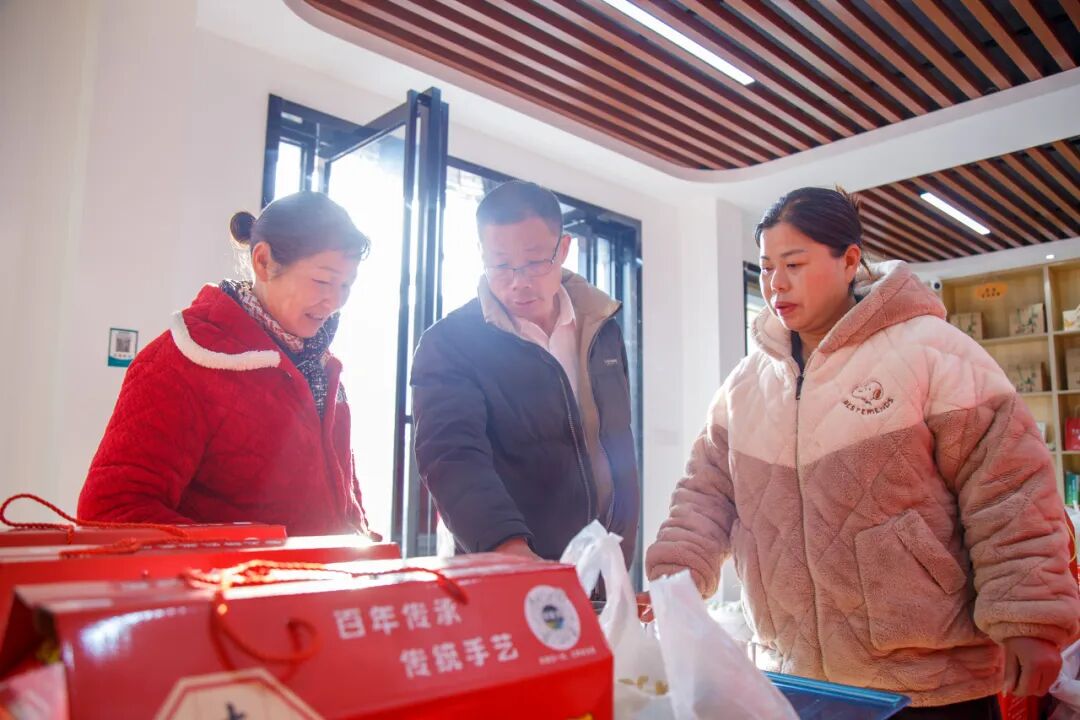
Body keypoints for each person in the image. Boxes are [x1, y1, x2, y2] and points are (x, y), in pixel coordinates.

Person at [645, 187, 1079, 718]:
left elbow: (1010, 489)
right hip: (795, 676)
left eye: (794, 264)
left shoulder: (932, 351)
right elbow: (705, 493)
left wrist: (1029, 617)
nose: (775, 283)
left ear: (850, 261)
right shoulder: (745, 384)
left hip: (931, 682)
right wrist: (675, 578)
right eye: (766, 267)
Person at [79, 191, 376, 537]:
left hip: (319, 572)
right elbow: (110, 511)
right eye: (323, 281)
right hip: (243, 574)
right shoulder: (183, 361)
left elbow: (345, 504)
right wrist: (256, 558)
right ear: (263, 262)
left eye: (346, 285)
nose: (335, 301)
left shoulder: (321, 367)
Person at [411, 181, 639, 566]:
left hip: (601, 564)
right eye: (501, 265)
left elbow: (617, 442)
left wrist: (620, 542)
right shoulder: (450, 343)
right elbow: (451, 456)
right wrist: (506, 548)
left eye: (535, 262)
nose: (519, 281)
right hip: (506, 565)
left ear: (563, 249)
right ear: (481, 255)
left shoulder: (602, 330)